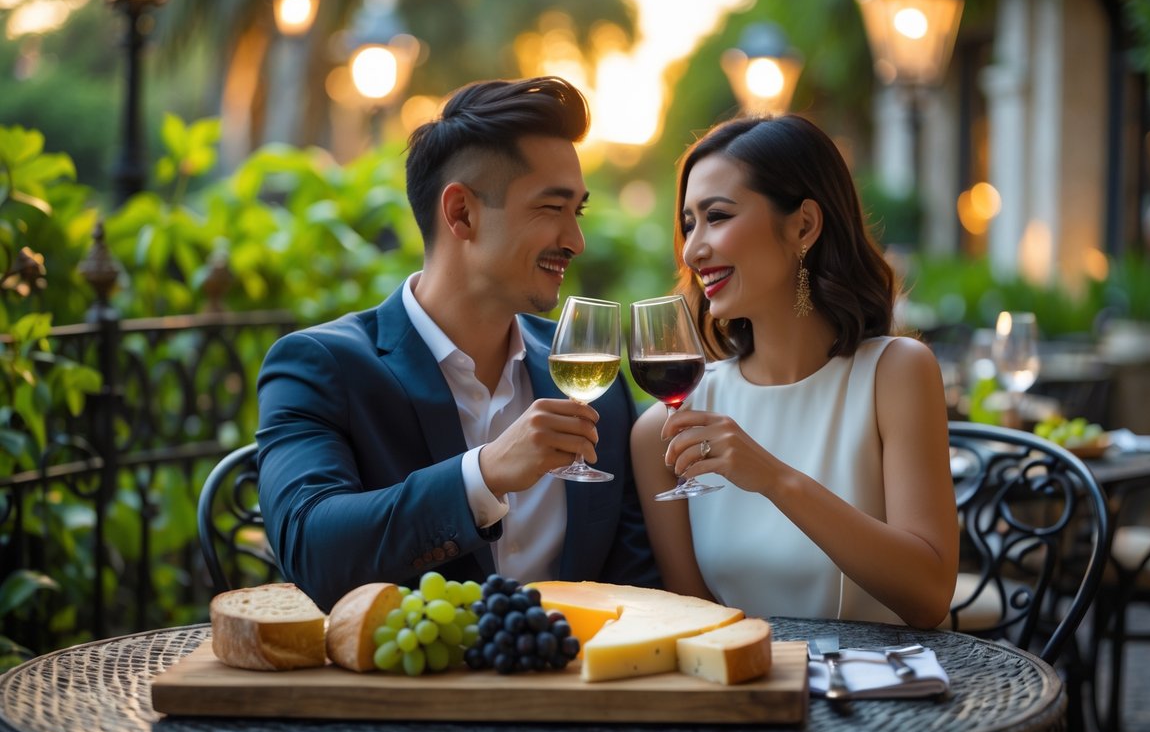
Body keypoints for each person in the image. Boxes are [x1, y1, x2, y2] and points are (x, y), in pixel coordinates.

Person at [257, 76, 659, 610]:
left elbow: (636, 586)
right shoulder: (319, 366)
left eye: (577, 212)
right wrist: (484, 475)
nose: (576, 241)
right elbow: (312, 549)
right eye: (551, 208)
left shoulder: (592, 382)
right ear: (461, 213)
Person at [631, 114, 957, 629]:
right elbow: (696, 626)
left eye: (717, 216)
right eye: (689, 224)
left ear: (803, 225)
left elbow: (929, 596)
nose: (692, 249)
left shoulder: (896, 374)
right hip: (748, 678)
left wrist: (773, 478)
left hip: (886, 680)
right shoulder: (666, 431)